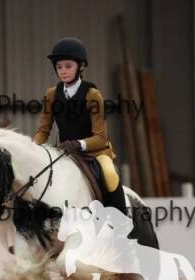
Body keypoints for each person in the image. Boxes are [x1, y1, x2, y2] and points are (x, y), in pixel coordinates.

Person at [32, 37, 127, 215]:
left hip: (95, 152)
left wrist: (78, 144)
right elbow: (43, 130)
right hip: (65, 152)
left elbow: (101, 138)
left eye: (68, 66)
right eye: (59, 67)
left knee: (110, 174)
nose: (63, 71)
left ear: (81, 67)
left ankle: (121, 220)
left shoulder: (92, 95)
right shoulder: (52, 94)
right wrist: (32, 148)